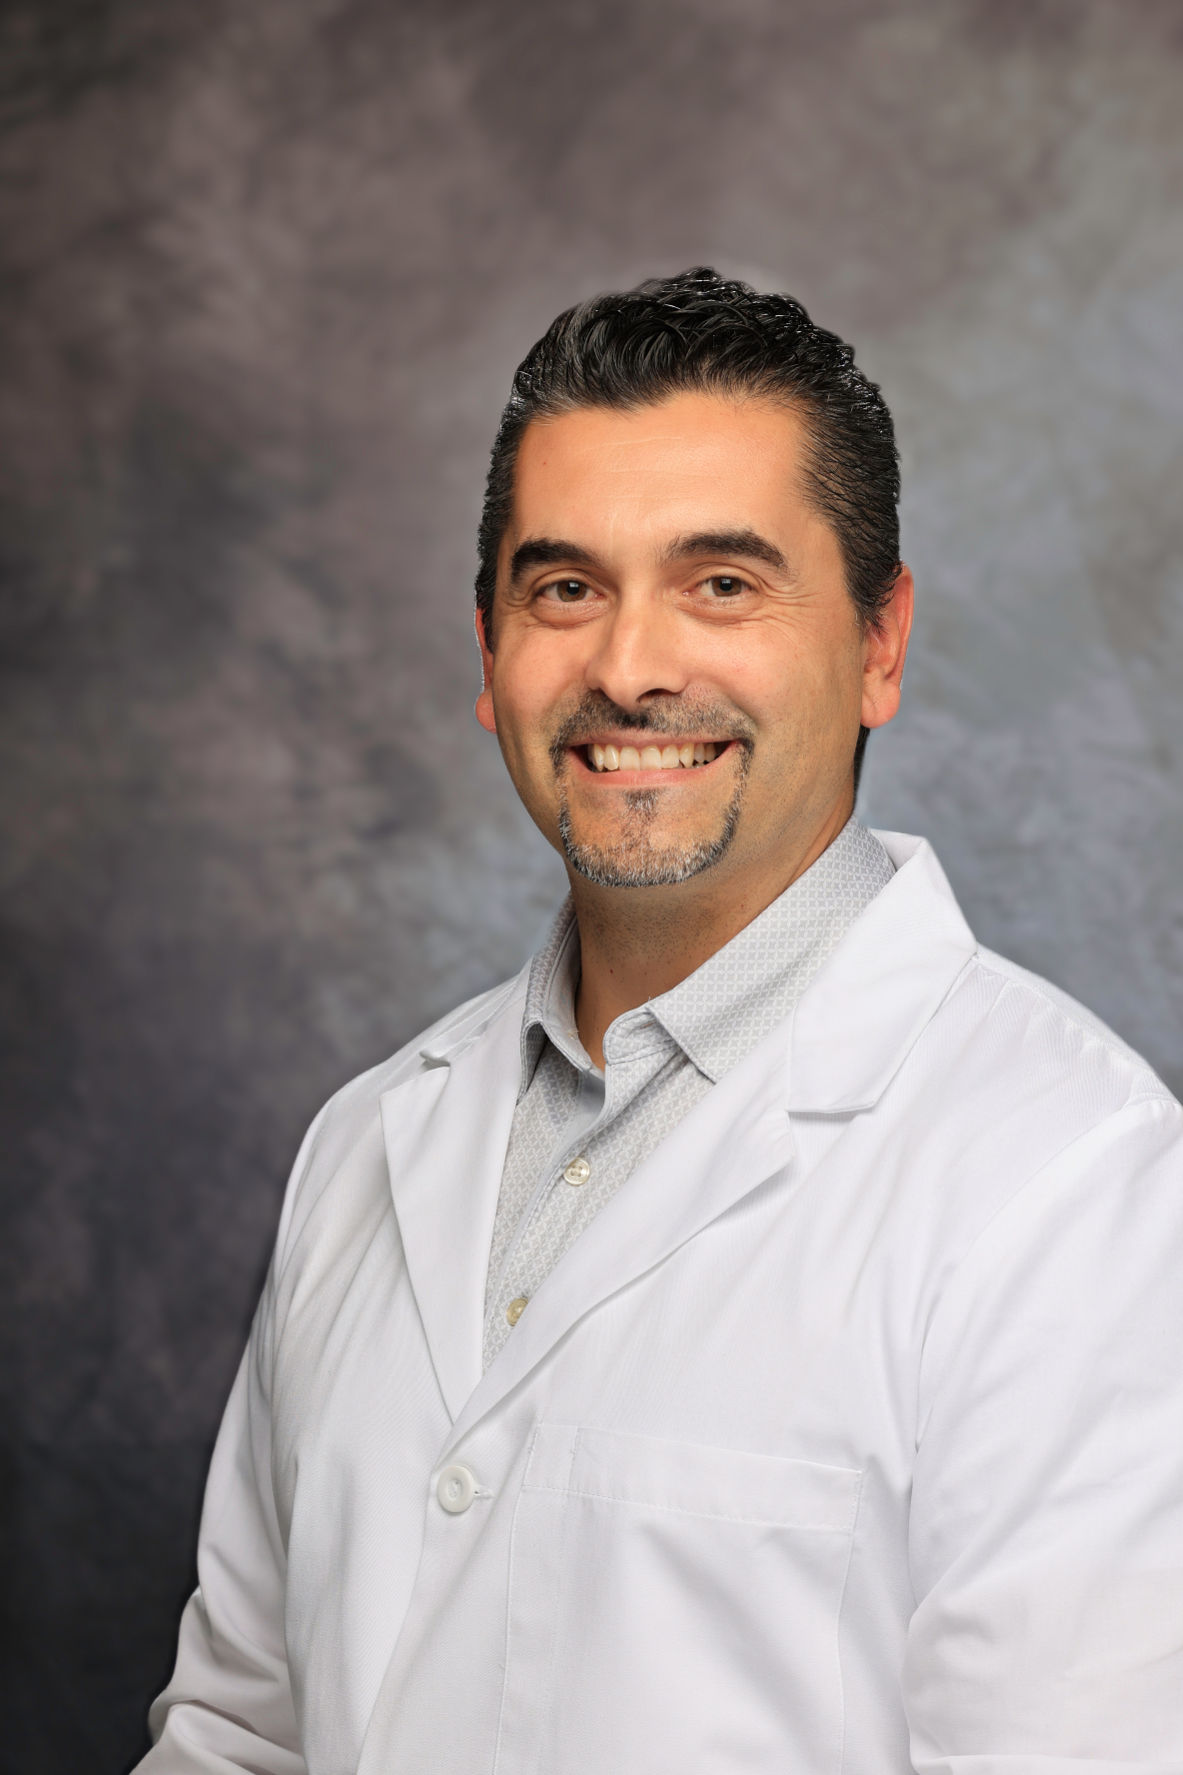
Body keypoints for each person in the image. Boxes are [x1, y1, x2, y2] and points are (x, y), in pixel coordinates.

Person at [138, 270, 1183, 1774]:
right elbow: (240, 1734)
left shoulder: (1076, 1186)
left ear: (880, 644)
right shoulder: (367, 1143)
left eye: (723, 585)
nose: (629, 669)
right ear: (487, 652)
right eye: (565, 589)